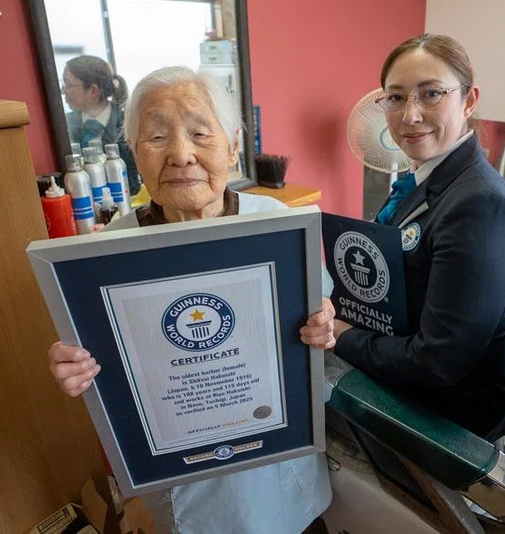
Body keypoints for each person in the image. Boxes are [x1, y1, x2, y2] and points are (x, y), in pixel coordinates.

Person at [49, 66, 335, 534]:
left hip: (275, 463)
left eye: (200, 133)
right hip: (180, 477)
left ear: (234, 145)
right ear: (135, 154)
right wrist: (73, 364)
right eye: (157, 137)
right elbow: (97, 357)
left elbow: (320, 310)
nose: (182, 156)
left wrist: (323, 322)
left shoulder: (278, 224)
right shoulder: (106, 251)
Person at [332, 34, 505, 443]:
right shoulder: (426, 179)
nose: (410, 116)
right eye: (396, 98)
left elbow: (439, 362)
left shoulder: (478, 207)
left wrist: (342, 334)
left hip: (452, 418)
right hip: (406, 360)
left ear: (469, 100)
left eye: (431, 94)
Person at [61, 55, 141, 194]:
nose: (63, 91)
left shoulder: (128, 121)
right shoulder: (63, 124)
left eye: (68, 84)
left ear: (93, 90)